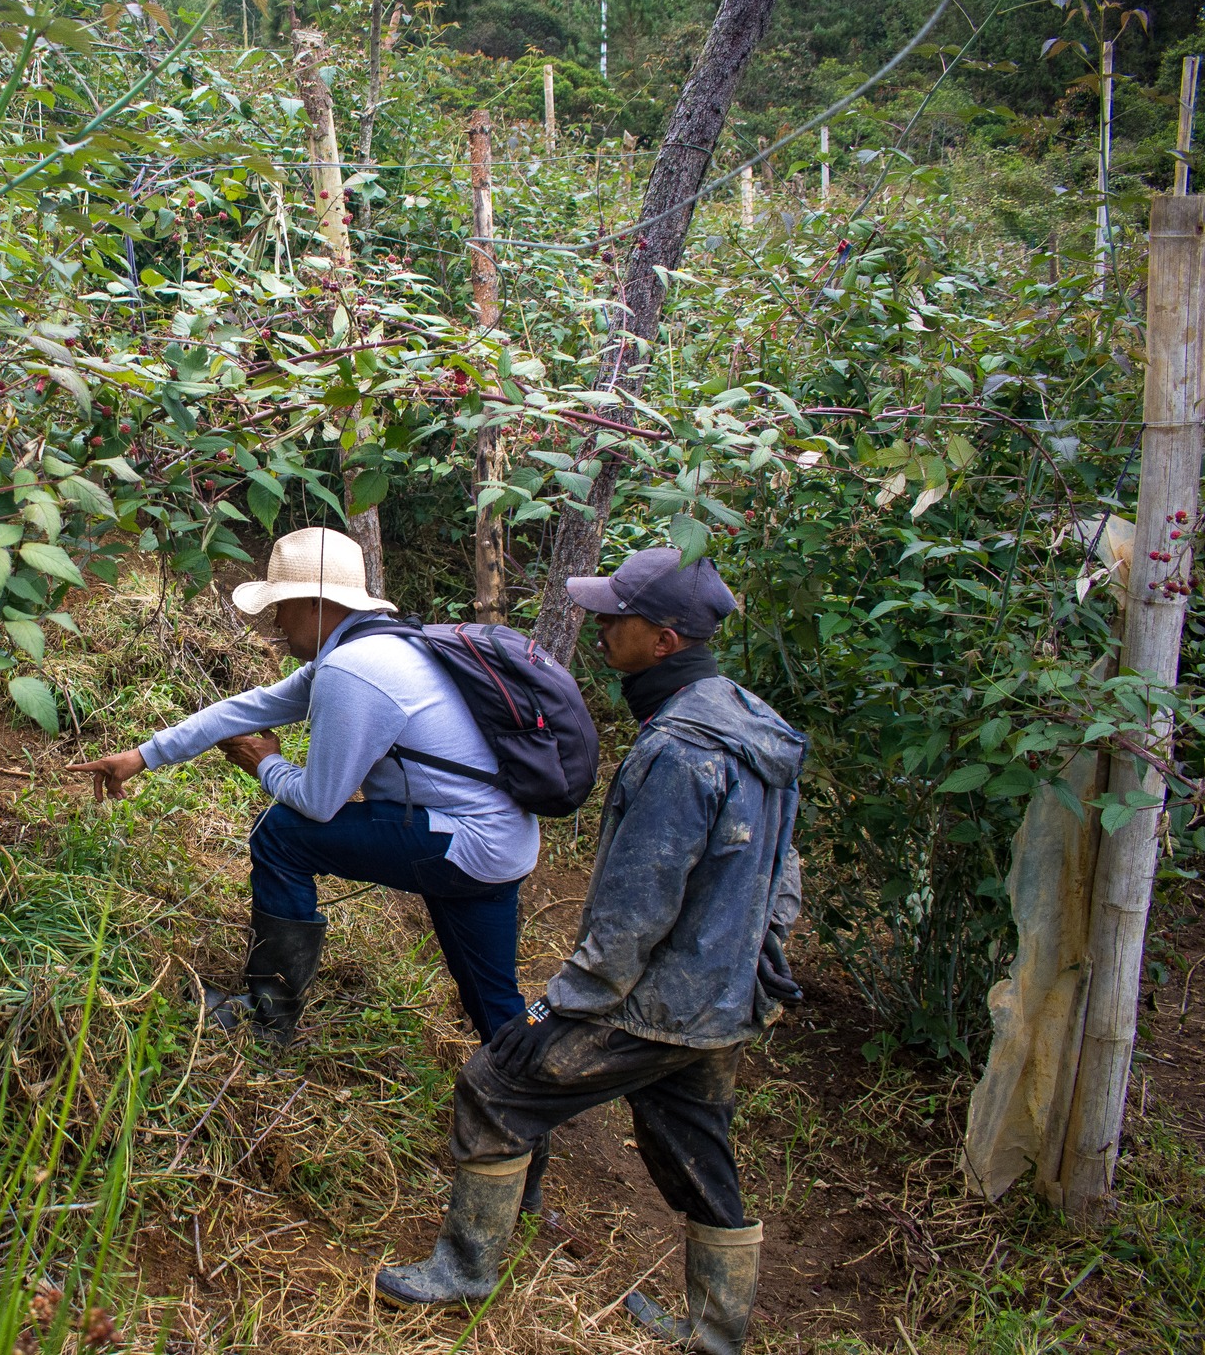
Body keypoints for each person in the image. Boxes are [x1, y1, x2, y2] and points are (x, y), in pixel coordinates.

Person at [374, 547, 805, 1355]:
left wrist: (553, 1007)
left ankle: (464, 1270)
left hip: (657, 1003)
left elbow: (635, 913)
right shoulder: (753, 723)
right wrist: (767, 945)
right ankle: (715, 1333)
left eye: (618, 616)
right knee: (694, 1144)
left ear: (665, 640)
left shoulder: (680, 749)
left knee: (495, 1085)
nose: (601, 626)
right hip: (724, 996)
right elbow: (785, 865)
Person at [65, 526, 539, 1047]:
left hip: (464, 841)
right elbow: (248, 709)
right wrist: (143, 755)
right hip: (504, 843)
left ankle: (268, 1018)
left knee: (281, 834)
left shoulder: (352, 670)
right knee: (494, 1001)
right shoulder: (383, 645)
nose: (274, 621)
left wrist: (266, 763)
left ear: (315, 603)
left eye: (280, 606)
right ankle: (522, 1080)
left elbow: (318, 803)